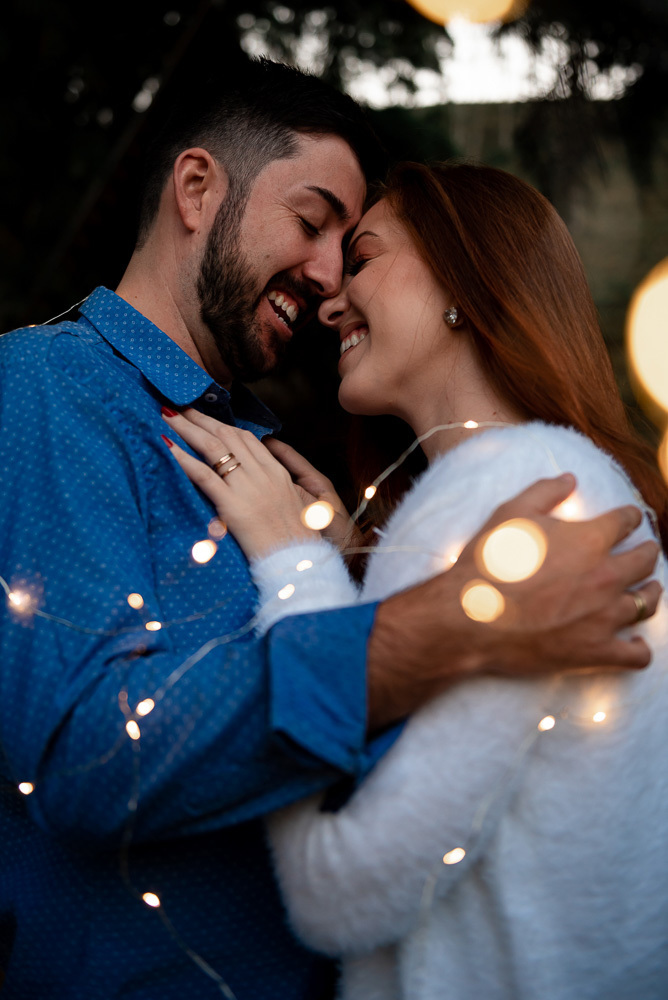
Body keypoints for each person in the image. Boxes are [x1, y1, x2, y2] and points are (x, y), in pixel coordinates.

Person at [0, 58, 659, 998]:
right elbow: (86, 756)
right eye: (312, 224)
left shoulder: (284, 461)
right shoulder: (50, 393)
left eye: (353, 250)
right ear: (197, 190)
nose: (325, 278)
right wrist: (435, 628)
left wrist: (345, 569)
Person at [161, 161, 668, 999]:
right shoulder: (541, 483)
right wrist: (358, 568)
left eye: (361, 257)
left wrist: (292, 567)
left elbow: (340, 892)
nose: (329, 299)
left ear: (464, 281)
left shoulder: (518, 496)